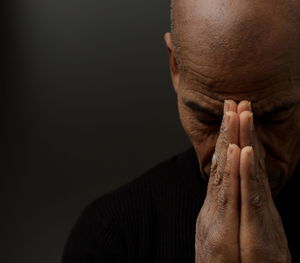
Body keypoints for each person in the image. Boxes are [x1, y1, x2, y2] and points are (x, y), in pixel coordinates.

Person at [62, 0, 300, 262]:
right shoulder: (111, 236)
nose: (242, 153)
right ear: (175, 65)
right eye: (209, 118)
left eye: (273, 117)